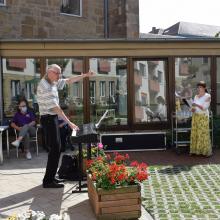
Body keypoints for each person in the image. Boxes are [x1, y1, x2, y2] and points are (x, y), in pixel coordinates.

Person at [37, 64, 94, 188]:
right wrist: (70, 123)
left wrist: (85, 75)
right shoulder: (45, 86)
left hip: (52, 119)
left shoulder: (52, 81)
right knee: (55, 149)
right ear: (49, 72)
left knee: (57, 148)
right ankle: (48, 181)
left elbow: (68, 81)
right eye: (57, 73)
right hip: (48, 119)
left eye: (60, 73)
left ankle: (51, 177)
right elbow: (56, 109)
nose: (59, 76)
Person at [190, 81, 212, 157]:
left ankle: (205, 152)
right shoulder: (196, 96)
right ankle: (195, 151)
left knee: (203, 134)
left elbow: (204, 107)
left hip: (203, 117)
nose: (199, 89)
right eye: (198, 87)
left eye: (200, 87)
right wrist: (192, 108)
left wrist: (196, 104)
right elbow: (194, 107)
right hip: (195, 116)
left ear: (204, 88)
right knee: (195, 133)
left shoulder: (208, 96)